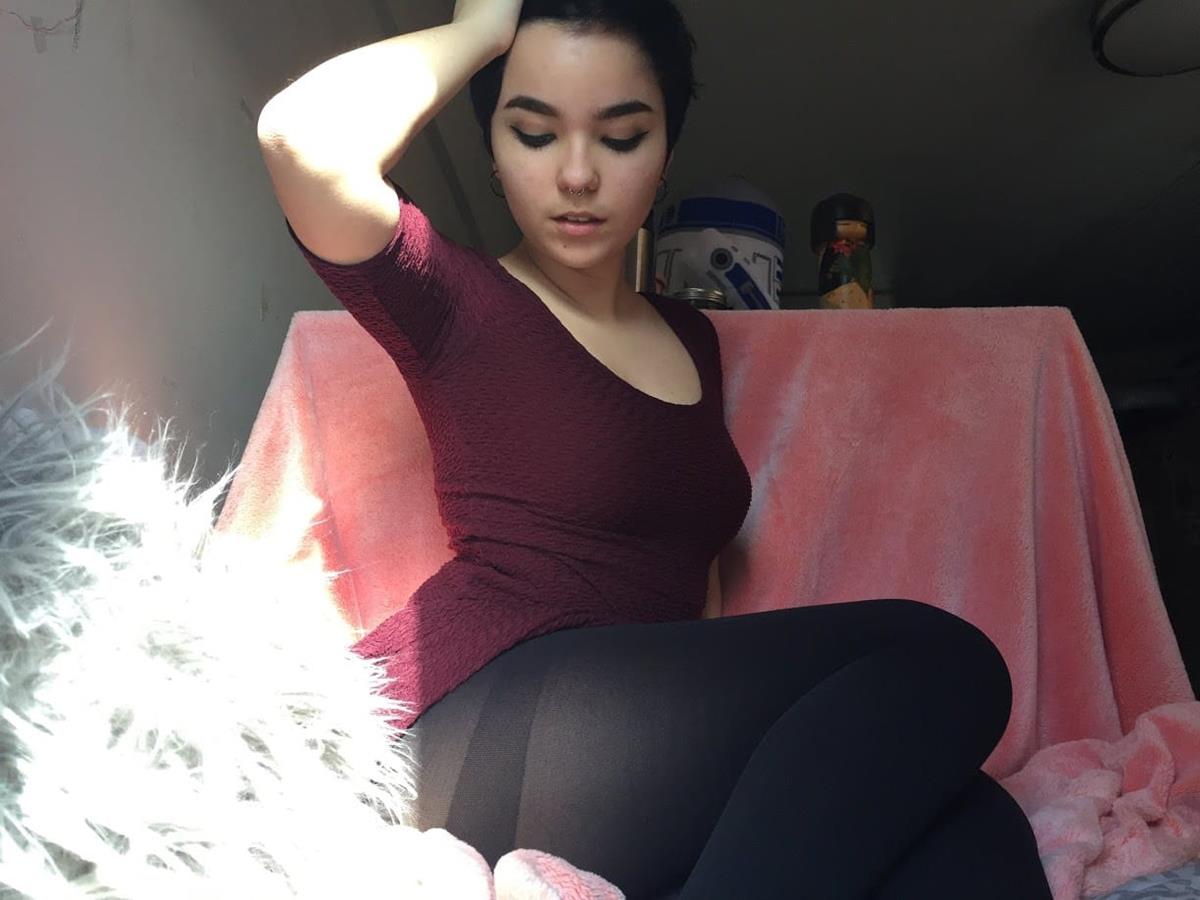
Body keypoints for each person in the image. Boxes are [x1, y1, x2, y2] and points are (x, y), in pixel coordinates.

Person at [255, 1, 1054, 897]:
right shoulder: (454, 298)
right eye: (534, 133)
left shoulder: (690, 337)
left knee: (972, 818)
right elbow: (300, 139)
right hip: (467, 710)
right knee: (943, 660)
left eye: (621, 137)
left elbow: (684, 584)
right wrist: (481, 30)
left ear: (667, 151)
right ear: (493, 151)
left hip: (626, 743)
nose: (577, 175)